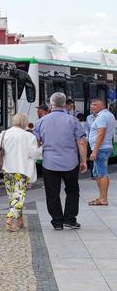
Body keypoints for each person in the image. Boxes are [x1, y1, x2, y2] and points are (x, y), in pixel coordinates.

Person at [34, 92, 88, 230]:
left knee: (52, 192)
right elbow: (81, 142)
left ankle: (57, 221)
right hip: (70, 162)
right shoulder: (73, 120)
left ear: (51, 104)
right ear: (65, 104)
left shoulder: (41, 121)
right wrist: (83, 161)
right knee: (72, 190)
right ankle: (70, 219)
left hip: (49, 162)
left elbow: (37, 142)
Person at [0, 113, 42, 231]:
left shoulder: (4, 133)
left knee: (12, 196)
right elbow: (34, 154)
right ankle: (9, 220)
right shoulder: (29, 136)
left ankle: (20, 220)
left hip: (7, 169)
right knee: (19, 195)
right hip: (22, 170)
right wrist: (41, 149)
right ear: (24, 123)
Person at [85, 98, 116, 206]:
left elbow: (101, 134)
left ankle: (103, 199)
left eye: (95, 104)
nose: (92, 106)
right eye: (91, 104)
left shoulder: (102, 116)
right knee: (98, 173)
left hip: (101, 148)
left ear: (102, 106)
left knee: (102, 173)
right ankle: (101, 197)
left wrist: (94, 151)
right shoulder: (109, 115)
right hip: (104, 147)